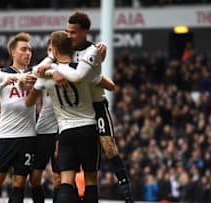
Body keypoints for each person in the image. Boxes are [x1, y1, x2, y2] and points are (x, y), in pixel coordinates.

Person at [37, 11, 134, 202]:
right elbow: (40, 67)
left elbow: (85, 75)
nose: (69, 35)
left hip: (95, 105)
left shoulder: (93, 50)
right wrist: (51, 68)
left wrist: (54, 69)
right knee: (60, 157)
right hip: (72, 111)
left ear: (85, 32)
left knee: (108, 146)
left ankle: (127, 192)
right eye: (68, 31)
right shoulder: (64, 49)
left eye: (73, 32)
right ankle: (66, 194)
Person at [26, 30, 107, 203]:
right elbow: (109, 85)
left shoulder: (47, 76)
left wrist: (48, 68)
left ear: (53, 50)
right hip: (88, 129)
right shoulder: (82, 70)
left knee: (65, 182)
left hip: (66, 132)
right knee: (91, 181)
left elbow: (30, 100)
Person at [0, 32, 38, 203]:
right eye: (23, 49)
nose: (28, 53)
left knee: (19, 182)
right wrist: (3, 84)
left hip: (28, 136)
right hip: (6, 136)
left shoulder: (34, 74)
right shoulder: (1, 73)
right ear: (13, 52)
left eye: (29, 50)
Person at [27, 40, 61, 203]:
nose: (51, 52)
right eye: (49, 49)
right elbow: (34, 74)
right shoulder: (44, 69)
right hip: (44, 128)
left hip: (62, 128)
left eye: (53, 49)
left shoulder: (67, 69)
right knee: (34, 177)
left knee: (59, 178)